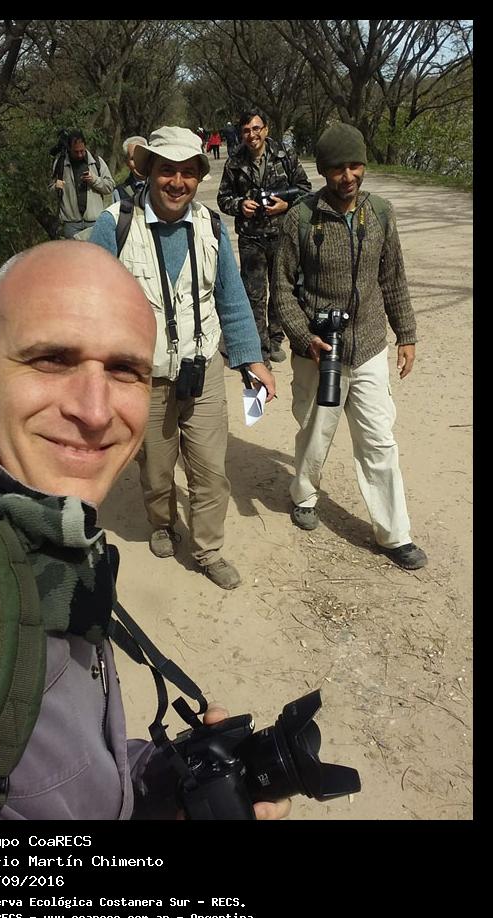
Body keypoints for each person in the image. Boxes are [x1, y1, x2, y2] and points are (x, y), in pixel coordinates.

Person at [0, 241, 291, 821]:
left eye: (125, 370)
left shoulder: (37, 532)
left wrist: (156, 780)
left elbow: (48, 764)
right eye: (51, 359)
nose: (95, 412)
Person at [89, 127, 276, 590]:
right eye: (167, 170)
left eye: (188, 172)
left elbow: (231, 297)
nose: (178, 182)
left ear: (198, 176)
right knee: (156, 469)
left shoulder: (211, 225)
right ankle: (162, 522)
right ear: (148, 171)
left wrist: (251, 359)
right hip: (144, 377)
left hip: (203, 366)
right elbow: (91, 305)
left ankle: (209, 549)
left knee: (210, 471)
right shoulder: (114, 225)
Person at [272, 123, 428, 571]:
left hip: (370, 347)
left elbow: (393, 277)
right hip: (318, 350)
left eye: (355, 166)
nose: (348, 176)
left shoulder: (380, 213)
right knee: (314, 431)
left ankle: (394, 534)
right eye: (338, 168)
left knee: (379, 440)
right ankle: (304, 494)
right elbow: (281, 289)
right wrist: (304, 337)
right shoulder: (300, 218)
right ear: (323, 170)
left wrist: (406, 334)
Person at [217, 107, 312, 369]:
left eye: (256, 129)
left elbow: (305, 190)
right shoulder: (234, 162)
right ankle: (260, 350)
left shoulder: (285, 155)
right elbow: (223, 199)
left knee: (282, 289)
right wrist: (240, 205)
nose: (252, 135)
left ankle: (275, 337)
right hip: (251, 239)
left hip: (282, 236)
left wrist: (286, 205)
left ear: (266, 129)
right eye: (246, 130)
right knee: (254, 295)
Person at [52, 129, 114, 239]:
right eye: (76, 152)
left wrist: (94, 180)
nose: (80, 154)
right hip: (71, 224)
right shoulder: (60, 163)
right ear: (69, 148)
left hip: (94, 222)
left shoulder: (97, 162)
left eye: (82, 151)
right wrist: (55, 187)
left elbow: (110, 186)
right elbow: (51, 190)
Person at [112, 135, 148, 203]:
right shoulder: (119, 192)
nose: (138, 162)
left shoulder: (161, 185)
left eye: (142, 156)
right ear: (127, 162)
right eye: (133, 158)